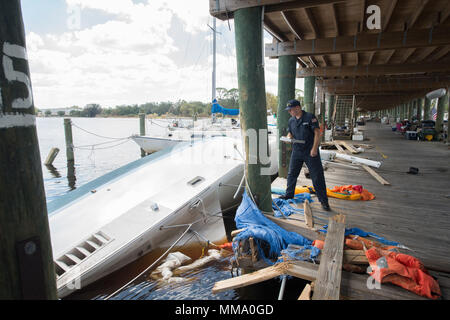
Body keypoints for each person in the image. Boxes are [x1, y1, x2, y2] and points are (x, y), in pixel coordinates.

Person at [279, 99, 330, 211]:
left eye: (291, 110)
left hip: (310, 151)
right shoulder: (291, 120)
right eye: (288, 110)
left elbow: (317, 133)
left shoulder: (310, 117)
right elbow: (290, 133)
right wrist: (288, 138)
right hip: (297, 151)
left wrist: (314, 149)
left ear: (298, 108)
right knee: (292, 174)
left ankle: (324, 201)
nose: (289, 112)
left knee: (317, 176)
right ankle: (289, 195)